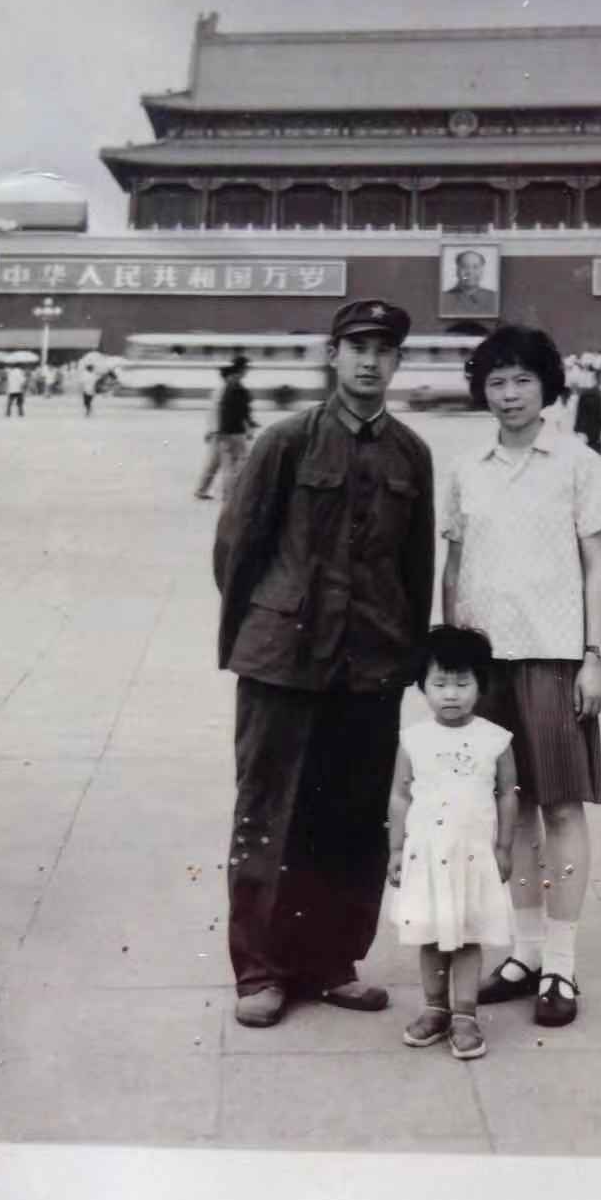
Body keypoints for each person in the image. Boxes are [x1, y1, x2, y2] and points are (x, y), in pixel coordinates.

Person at [213, 298, 434, 1028]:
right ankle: (262, 970)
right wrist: (263, 628)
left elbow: (416, 565)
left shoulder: (411, 454)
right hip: (284, 662)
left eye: (384, 349)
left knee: (352, 814)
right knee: (269, 811)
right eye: (357, 346)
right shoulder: (286, 441)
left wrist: (405, 652)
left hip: (370, 663)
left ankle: (332, 961)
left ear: (397, 362)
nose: (370, 361)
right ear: (333, 356)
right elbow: (236, 549)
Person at [442, 325, 601, 1028]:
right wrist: (450, 664)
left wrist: (594, 656)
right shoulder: (468, 469)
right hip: (486, 666)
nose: (509, 394)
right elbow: (453, 569)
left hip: (553, 656)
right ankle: (525, 953)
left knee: (562, 808)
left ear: (547, 385)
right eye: (495, 381)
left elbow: (599, 564)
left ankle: (563, 970)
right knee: (507, 811)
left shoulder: (578, 462)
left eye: (521, 380)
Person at [386, 626, 518, 1061]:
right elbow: (401, 795)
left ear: (481, 685)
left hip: (472, 853)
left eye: (463, 683)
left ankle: (465, 1013)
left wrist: (503, 847)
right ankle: (434, 1007)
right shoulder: (414, 739)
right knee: (430, 933)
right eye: (440, 683)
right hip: (426, 852)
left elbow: (506, 795)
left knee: (467, 935)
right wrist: (396, 849)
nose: (451, 694)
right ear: (423, 686)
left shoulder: (495, 740)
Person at [214, 356, 258, 502]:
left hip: (224, 431)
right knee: (241, 462)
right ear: (241, 370)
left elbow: (223, 410)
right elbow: (244, 412)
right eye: (246, 369)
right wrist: (250, 427)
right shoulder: (240, 388)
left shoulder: (226, 387)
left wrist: (219, 430)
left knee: (227, 464)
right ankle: (234, 494)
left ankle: (227, 495)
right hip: (236, 432)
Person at [195, 364, 231, 500]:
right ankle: (226, 493)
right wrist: (214, 430)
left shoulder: (219, 390)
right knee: (224, 463)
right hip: (220, 432)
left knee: (214, 463)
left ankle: (201, 490)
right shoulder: (224, 391)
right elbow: (217, 413)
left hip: (216, 431)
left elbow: (211, 413)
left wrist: (210, 430)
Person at [441, 249, 498, 315]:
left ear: (482, 271)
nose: (470, 272)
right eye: (464, 267)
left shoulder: (494, 298)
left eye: (475, 267)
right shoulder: (444, 298)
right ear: (457, 271)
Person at [573, 386, 601, 455]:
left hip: (584, 427)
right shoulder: (598, 398)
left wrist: (577, 427)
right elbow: (600, 415)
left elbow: (579, 413)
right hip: (595, 428)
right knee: (595, 444)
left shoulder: (583, 397)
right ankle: (596, 456)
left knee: (587, 446)